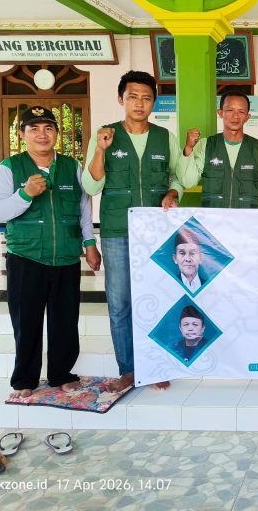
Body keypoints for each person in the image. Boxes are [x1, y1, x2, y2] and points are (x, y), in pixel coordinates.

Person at [0, 106, 101, 399]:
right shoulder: (9, 167)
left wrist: (90, 244)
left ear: (56, 134)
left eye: (48, 128)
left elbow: (83, 209)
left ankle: (62, 374)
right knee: (26, 321)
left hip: (65, 256)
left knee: (65, 320)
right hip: (25, 256)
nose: (42, 134)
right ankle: (24, 379)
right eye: (34, 128)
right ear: (22, 134)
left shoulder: (71, 167)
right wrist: (25, 194)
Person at [83, 70, 184, 393]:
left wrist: (172, 193)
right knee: (120, 302)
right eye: (133, 97)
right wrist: (100, 150)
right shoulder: (105, 135)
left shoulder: (164, 137)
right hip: (117, 230)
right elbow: (91, 185)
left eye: (146, 98)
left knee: (157, 298)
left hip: (156, 231)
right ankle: (128, 369)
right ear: (121, 99)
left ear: (154, 102)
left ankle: (155, 366)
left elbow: (177, 177)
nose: (139, 103)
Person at [179, 90, 258, 208]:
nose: (236, 116)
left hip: (246, 218)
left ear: (247, 117)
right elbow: (188, 182)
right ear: (220, 113)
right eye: (230, 110)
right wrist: (189, 148)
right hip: (213, 218)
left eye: (241, 111)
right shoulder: (206, 145)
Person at [172, 228, 206, 293]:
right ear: (175, 258)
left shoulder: (210, 286)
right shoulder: (169, 285)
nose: (188, 259)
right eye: (182, 253)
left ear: (201, 258)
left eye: (192, 253)